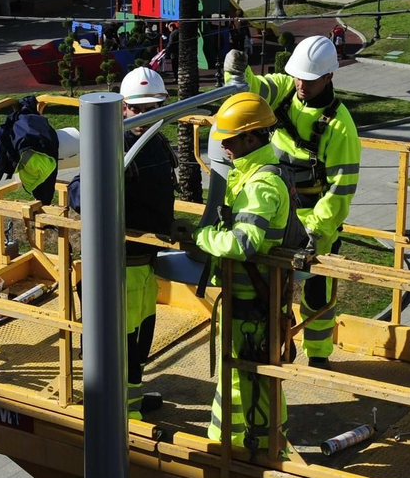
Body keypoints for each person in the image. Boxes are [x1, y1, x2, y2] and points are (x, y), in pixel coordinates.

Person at [222, 34, 361, 369]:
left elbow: (340, 191)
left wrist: (315, 231)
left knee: (316, 295)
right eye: (298, 76)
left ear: (329, 77)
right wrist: (237, 75)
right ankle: (268, 345)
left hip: (314, 222)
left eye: (309, 80)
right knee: (262, 287)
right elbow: (251, 94)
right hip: (276, 211)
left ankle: (319, 356)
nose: (301, 84)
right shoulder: (285, 89)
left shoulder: (340, 128)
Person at [68, 67, 177, 420]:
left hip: (144, 265)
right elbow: (79, 192)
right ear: (124, 109)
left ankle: (131, 403)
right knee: (122, 347)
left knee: (140, 342)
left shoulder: (157, 142)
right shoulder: (115, 145)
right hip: (120, 268)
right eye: (138, 109)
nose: (146, 117)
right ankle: (121, 418)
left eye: (153, 108)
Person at [193, 93, 292, 448]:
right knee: (247, 379)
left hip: (252, 304)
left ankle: (249, 452)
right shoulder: (254, 174)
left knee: (247, 380)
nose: (224, 147)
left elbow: (242, 243)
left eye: (230, 140)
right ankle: (248, 446)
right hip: (250, 302)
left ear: (251, 138)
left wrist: (204, 237)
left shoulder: (261, 184)